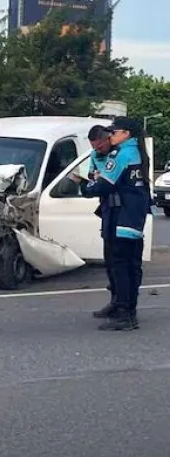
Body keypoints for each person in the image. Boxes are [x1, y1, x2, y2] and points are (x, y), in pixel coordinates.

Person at [70, 117, 152, 330]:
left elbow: (102, 186)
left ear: (126, 134)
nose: (111, 135)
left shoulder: (122, 154)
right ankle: (123, 306)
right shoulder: (136, 153)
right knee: (126, 265)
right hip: (129, 215)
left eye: (114, 132)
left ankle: (125, 313)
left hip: (123, 216)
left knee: (122, 265)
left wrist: (83, 185)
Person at [81, 125, 117, 319]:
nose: (97, 150)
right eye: (94, 147)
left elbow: (106, 183)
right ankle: (115, 300)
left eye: (100, 146)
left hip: (120, 211)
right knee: (109, 260)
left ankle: (124, 305)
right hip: (106, 210)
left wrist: (99, 181)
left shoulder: (117, 156)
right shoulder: (95, 156)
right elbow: (92, 178)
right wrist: (93, 180)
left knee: (121, 262)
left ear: (107, 140)